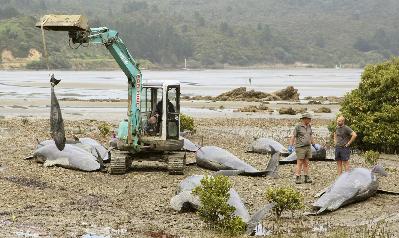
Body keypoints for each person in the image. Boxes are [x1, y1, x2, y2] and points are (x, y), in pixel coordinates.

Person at [288, 113, 315, 184]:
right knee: (299, 162)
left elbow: (310, 135)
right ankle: (297, 177)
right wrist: (290, 146)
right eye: (309, 119)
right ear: (304, 119)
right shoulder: (298, 127)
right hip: (300, 147)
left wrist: (314, 144)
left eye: (310, 119)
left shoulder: (309, 126)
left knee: (306, 163)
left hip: (308, 147)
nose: (310, 120)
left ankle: (306, 176)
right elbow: (293, 136)